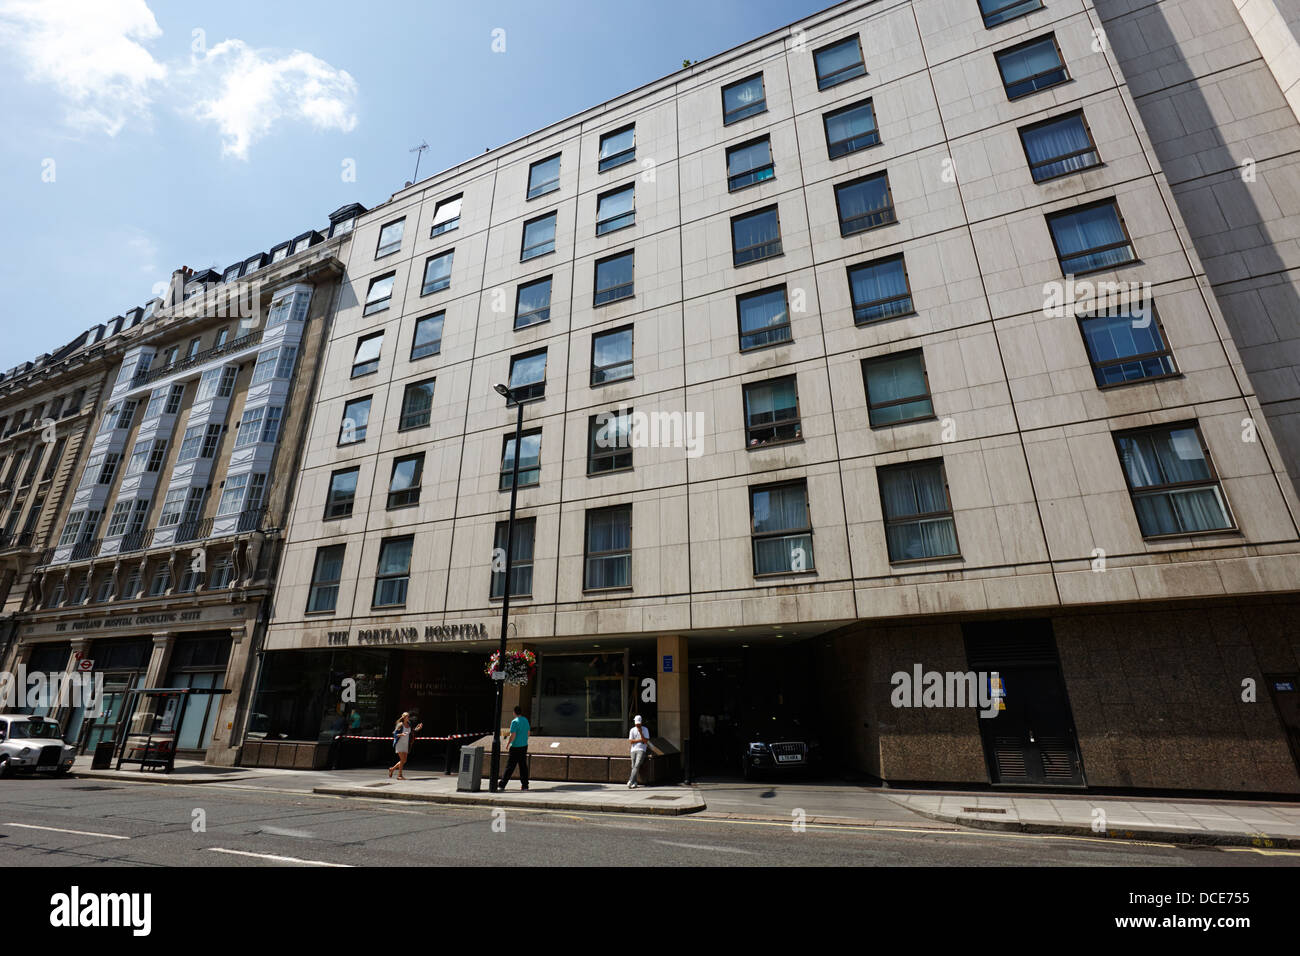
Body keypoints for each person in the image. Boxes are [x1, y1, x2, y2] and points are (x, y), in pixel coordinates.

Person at [498, 705, 530, 791]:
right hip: (524, 746)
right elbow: (528, 732)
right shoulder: (525, 720)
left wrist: (508, 744)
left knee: (510, 766)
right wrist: (524, 740)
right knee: (523, 766)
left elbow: (513, 735)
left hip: (515, 746)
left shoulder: (514, 722)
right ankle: (525, 785)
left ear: (514, 712)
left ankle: (502, 784)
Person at [388, 712, 422, 780]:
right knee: (402, 759)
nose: (408, 718)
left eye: (408, 716)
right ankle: (399, 776)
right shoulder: (400, 724)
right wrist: (401, 734)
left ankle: (392, 769)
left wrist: (418, 728)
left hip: (406, 744)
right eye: (407, 716)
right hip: (399, 744)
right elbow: (394, 734)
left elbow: (412, 732)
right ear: (404, 717)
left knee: (404, 761)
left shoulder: (409, 724)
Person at [628, 714, 650, 789]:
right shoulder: (632, 730)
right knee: (633, 766)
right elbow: (631, 741)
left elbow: (646, 741)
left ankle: (630, 780)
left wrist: (641, 733)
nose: (638, 725)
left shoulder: (645, 729)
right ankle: (635, 782)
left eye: (639, 724)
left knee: (637, 765)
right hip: (633, 749)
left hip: (641, 749)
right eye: (636, 724)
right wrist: (640, 740)